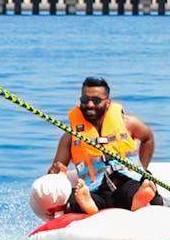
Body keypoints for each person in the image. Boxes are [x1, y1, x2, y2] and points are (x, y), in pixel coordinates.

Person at [48, 76, 161, 214]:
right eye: (85, 100)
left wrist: (142, 167)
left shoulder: (128, 123)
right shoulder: (71, 135)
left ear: (108, 102)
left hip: (127, 183)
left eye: (96, 100)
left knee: (142, 187)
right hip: (95, 191)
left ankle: (138, 202)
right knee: (74, 199)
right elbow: (58, 168)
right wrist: (54, 172)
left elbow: (148, 138)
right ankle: (90, 207)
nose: (90, 104)